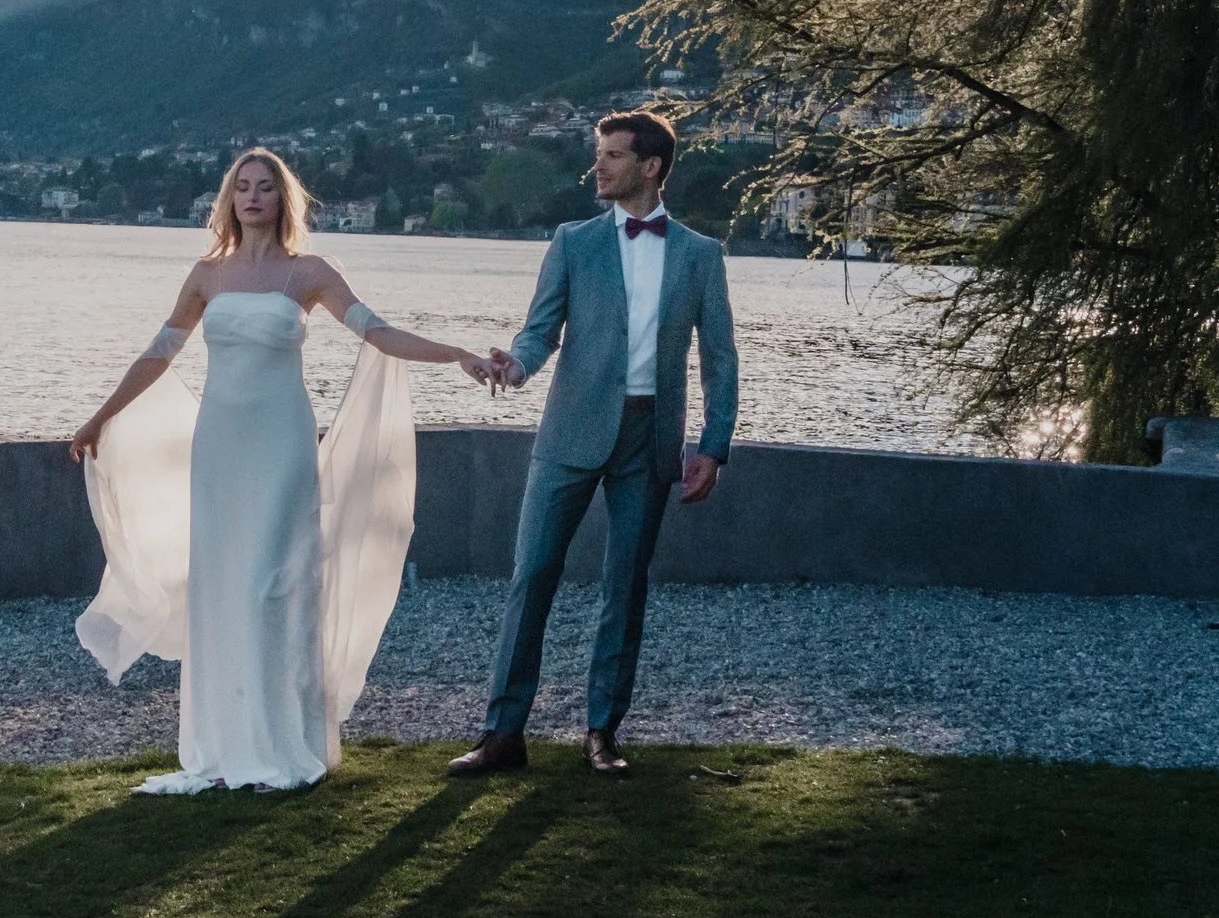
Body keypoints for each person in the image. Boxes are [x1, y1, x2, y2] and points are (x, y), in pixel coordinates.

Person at [70, 147, 500, 794]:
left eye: (264, 186)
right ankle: (223, 745)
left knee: (276, 584)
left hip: (281, 445)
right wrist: (99, 417)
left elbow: (379, 333)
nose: (251, 196)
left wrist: (458, 354)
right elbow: (158, 355)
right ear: (229, 199)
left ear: (282, 198)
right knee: (223, 587)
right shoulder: (206, 276)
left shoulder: (310, 273)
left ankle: (283, 744)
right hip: (221, 448)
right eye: (241, 186)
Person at [449, 110, 739, 778]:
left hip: (651, 436)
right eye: (598, 152)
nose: (598, 166)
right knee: (532, 574)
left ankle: (602, 731)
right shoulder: (573, 241)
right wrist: (515, 366)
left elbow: (719, 361)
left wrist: (713, 446)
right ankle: (503, 732)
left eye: (611, 155)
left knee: (624, 585)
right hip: (570, 429)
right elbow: (539, 330)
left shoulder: (700, 255)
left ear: (652, 166)